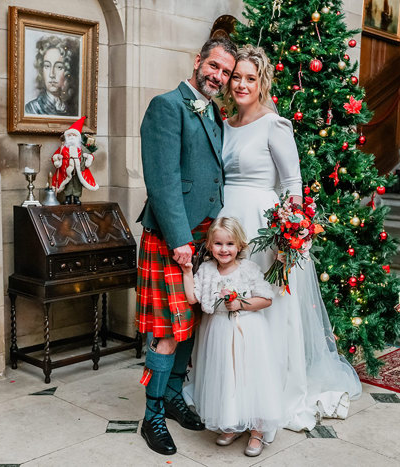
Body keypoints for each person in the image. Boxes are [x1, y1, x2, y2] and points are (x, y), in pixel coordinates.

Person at [216, 45, 363, 437]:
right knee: (230, 313)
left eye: (251, 77)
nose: (242, 84)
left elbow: (292, 184)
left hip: (265, 232)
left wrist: (291, 234)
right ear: (228, 82)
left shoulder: (274, 124)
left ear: (262, 81)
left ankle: (266, 401)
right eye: (237, 77)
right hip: (228, 227)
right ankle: (232, 399)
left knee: (263, 313)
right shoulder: (223, 123)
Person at [135, 37, 237, 456]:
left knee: (189, 325)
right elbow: (161, 180)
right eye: (213, 66)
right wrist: (179, 239)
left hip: (203, 240)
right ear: (198, 62)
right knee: (167, 331)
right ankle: (152, 416)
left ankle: (174, 398)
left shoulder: (215, 113)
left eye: (226, 72)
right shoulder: (166, 105)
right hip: (171, 237)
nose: (218, 76)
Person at [180, 217, 280, 457]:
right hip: (219, 332)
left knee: (249, 376)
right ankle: (232, 423)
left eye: (229, 244)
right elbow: (193, 298)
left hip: (247, 332)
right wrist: (186, 271)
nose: (224, 249)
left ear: (240, 245)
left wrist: (240, 303)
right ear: (210, 245)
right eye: (218, 244)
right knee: (226, 376)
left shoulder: (248, 269)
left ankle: (257, 430)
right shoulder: (206, 270)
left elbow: (266, 298)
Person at [25, 35, 79, 116]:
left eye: (59, 67)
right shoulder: (32, 108)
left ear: (68, 71)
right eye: (47, 66)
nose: (52, 74)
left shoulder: (73, 109)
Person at [50, 116, 98, 204]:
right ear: (66, 137)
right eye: (69, 135)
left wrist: (88, 159)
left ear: (78, 137)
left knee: (77, 184)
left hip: (79, 169)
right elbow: (55, 156)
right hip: (66, 170)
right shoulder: (63, 148)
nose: (72, 137)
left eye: (74, 135)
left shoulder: (81, 148)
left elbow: (90, 155)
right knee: (68, 184)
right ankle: (67, 198)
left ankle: (76, 198)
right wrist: (58, 159)